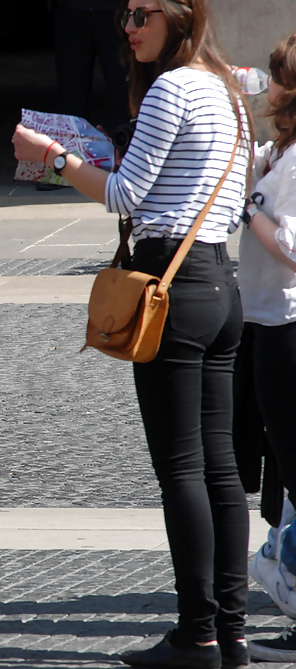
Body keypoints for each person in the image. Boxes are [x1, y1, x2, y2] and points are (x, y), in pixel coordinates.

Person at [13, 2, 251, 668]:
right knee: (220, 468)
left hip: (169, 284)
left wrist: (53, 159)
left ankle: (197, 634)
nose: (128, 25)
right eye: (126, 12)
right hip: (216, 280)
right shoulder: (226, 89)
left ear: (182, 19)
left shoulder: (172, 87)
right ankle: (229, 632)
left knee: (183, 469)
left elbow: (125, 194)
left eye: (144, 13)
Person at [235, 32, 296, 664]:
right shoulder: (277, 150)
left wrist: (248, 207)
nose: (266, 85)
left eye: (276, 77)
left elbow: (294, 250)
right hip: (265, 320)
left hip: (287, 323)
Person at [50, 0, 131, 133]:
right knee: (70, 96)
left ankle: (129, 145)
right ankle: (71, 149)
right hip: (71, 9)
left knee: (125, 90)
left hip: (117, 8)